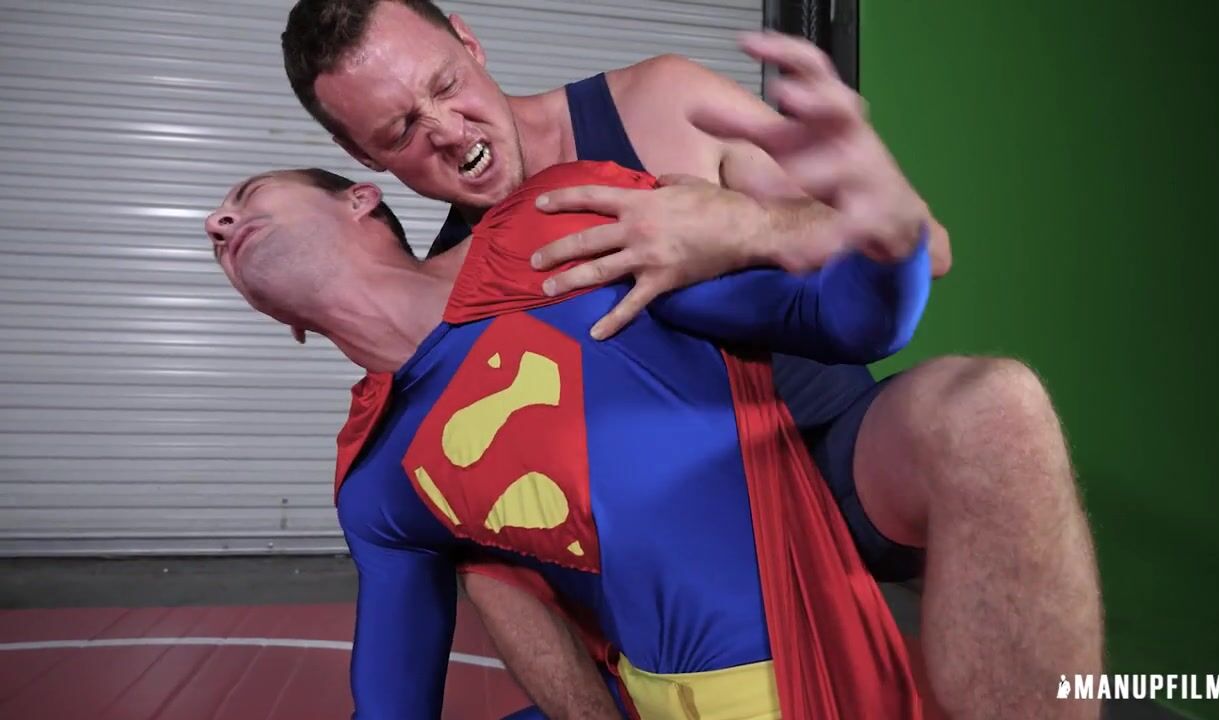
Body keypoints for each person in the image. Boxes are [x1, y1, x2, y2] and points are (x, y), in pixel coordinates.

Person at [280, 1, 1104, 717]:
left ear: (469, 41)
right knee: (485, 556)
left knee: (994, 405)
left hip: (834, 454)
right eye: (401, 130)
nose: (448, 130)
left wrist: (744, 227)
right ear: (367, 160)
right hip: (679, 565)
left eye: (445, 84)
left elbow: (928, 246)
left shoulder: (656, 106)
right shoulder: (450, 289)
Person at [203, 158, 934, 719]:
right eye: (218, 237)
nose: (217, 223)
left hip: (809, 678)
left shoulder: (553, 235)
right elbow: (392, 703)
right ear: (287, 325)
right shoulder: (374, 476)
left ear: (360, 198)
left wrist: (882, 228)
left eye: (248, 193)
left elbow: (844, 321)